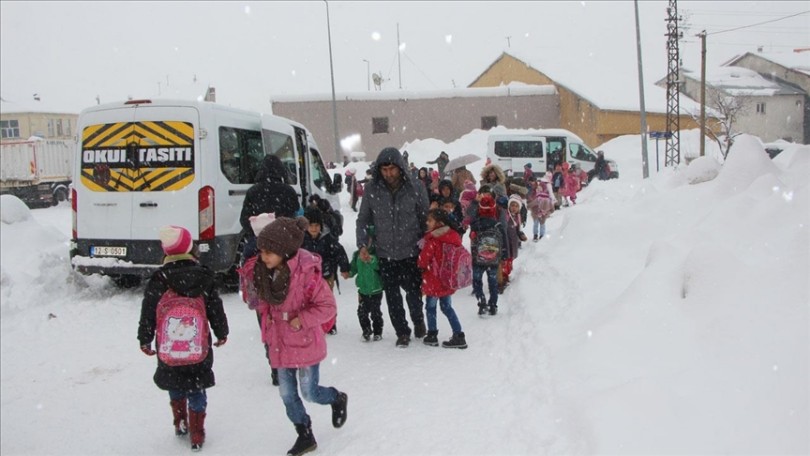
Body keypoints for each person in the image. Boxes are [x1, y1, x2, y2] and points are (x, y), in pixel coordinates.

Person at [250, 217, 348, 456]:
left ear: (284, 251)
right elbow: (262, 303)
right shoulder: (264, 272)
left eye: (269, 252)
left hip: (303, 342)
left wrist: (301, 319)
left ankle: (336, 398)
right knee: (287, 394)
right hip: (279, 343)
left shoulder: (307, 274)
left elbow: (327, 307)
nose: (264, 257)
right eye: (262, 251)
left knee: (309, 392)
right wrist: (267, 322)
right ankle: (304, 432)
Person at [137, 225, 229, 452]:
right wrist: (221, 332)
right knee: (197, 388)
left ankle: (180, 420)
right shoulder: (204, 276)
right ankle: (197, 430)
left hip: (169, 346)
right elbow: (214, 308)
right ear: (190, 248)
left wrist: (145, 338)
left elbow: (148, 311)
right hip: (198, 345)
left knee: (175, 382)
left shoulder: (160, 279)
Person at [356, 147, 429, 348]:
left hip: (411, 251)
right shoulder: (372, 190)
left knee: (414, 294)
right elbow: (362, 220)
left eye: (392, 169)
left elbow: (425, 218)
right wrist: (362, 244)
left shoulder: (415, 187)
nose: (388, 174)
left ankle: (418, 320)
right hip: (385, 252)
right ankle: (402, 331)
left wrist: (426, 245)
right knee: (392, 297)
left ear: (400, 168)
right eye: (384, 170)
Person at [417, 208, 467, 349]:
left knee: (430, 308)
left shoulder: (433, 240)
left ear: (439, 223)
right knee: (447, 307)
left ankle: (432, 335)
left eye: (430, 220)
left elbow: (423, 260)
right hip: (448, 280)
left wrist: (420, 263)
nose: (427, 222)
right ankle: (459, 334)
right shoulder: (453, 236)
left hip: (433, 281)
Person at [240, 155, 300, 262]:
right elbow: (295, 214)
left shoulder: (252, 191)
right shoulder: (289, 191)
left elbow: (244, 219)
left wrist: (256, 232)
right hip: (283, 242)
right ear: (281, 170)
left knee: (249, 266)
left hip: (258, 243)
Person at [302, 207, 350, 335]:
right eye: (310, 225)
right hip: (307, 278)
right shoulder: (301, 240)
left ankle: (330, 324)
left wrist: (344, 267)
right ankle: (312, 324)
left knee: (326, 301)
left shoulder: (328, 239)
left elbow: (339, 252)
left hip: (326, 275)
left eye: (316, 225)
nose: (313, 228)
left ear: (321, 225)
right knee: (308, 302)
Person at [466, 190, 508, 316]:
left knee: (477, 281)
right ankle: (493, 305)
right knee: (493, 282)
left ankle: (481, 301)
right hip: (494, 259)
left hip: (478, 259)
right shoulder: (497, 225)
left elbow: (472, 239)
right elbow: (503, 240)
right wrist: (504, 255)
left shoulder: (475, 224)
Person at [346, 226, 385, 342]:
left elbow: (377, 265)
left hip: (376, 290)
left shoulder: (377, 254)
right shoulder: (356, 255)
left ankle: (378, 331)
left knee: (375, 312)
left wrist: (370, 259)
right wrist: (349, 273)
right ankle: (366, 330)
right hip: (362, 290)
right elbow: (353, 267)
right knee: (362, 312)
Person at [501, 194, 526, 293]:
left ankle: (506, 275)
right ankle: (503, 278)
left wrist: (521, 235)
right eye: (512, 205)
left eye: (516, 206)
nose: (514, 208)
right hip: (505, 241)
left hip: (513, 242)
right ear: (509, 206)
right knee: (504, 261)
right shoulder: (505, 215)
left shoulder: (518, 216)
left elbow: (518, 229)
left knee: (510, 261)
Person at [527, 175, 554, 242]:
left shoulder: (543, 192)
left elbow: (550, 203)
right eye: (530, 182)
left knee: (542, 223)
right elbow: (530, 200)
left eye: (532, 181)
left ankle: (541, 235)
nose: (531, 183)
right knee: (536, 223)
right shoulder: (531, 189)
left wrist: (551, 209)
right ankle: (536, 235)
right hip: (535, 210)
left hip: (543, 210)